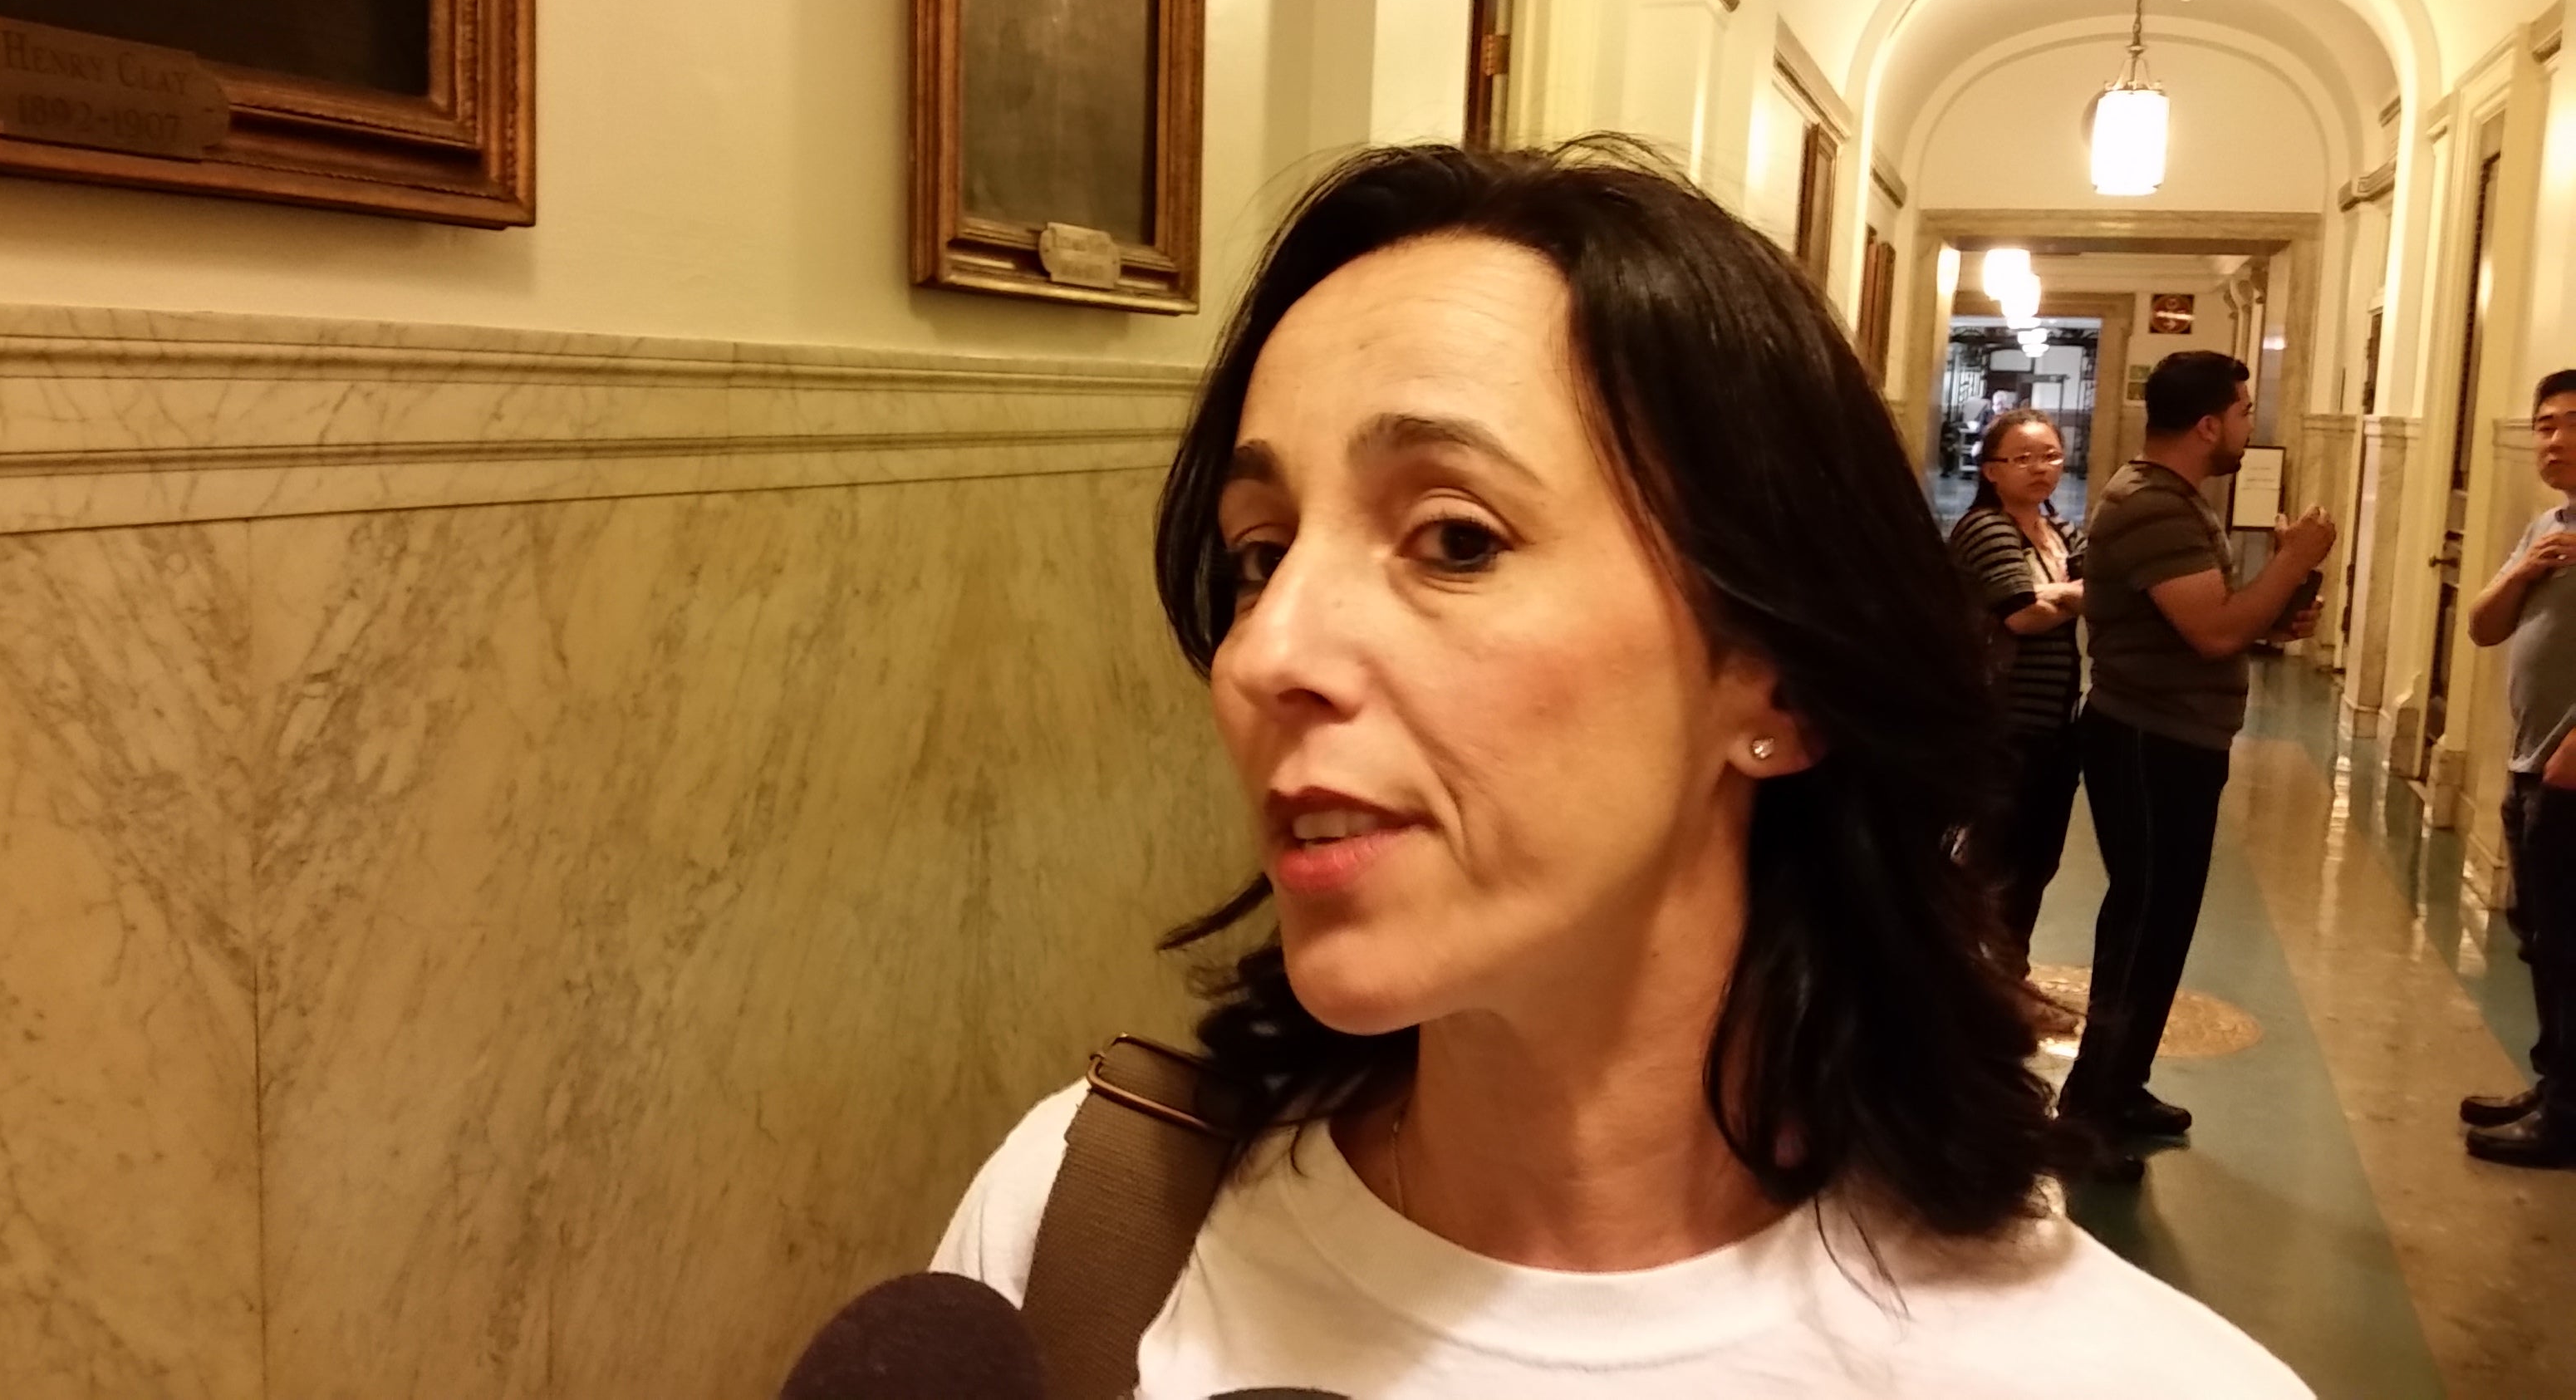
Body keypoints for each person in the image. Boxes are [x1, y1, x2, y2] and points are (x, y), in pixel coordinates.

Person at [932, 142, 2307, 1398]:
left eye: (1452, 539)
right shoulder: (1079, 1230)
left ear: (1772, 678)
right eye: (1256, 551)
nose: (1262, 652)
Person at [2059, 351, 2333, 1181]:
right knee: (2141, 922)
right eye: (2245, 411)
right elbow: (2212, 631)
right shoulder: (2151, 506)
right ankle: (2085, 1110)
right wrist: (2292, 558)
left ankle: (2125, 1082)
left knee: (2166, 919)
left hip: (2179, 738)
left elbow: (2211, 623)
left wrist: (2275, 619)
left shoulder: (2179, 502)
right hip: (2147, 741)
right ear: (2210, 422)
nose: (2252, 425)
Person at [2457, 368, 2576, 1169]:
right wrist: (2528, 567)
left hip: (2571, 771)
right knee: (2541, 937)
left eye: (2571, 423)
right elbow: (2483, 625)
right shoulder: (2548, 525)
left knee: (2572, 943)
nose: (2556, 440)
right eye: (2544, 425)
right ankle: (2554, 1080)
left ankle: (2570, 1114)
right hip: (2531, 760)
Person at [1947, 409, 2085, 977]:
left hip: (2055, 724)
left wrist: (2060, 594)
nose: (2040, 469)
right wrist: (2077, 593)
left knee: (2037, 859)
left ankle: (2011, 977)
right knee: (1992, 858)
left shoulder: (2061, 532)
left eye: (2050, 455)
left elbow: (2088, 597)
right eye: (2022, 458)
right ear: (1991, 470)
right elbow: (2022, 615)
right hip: (2001, 720)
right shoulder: (1985, 529)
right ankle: (1967, 981)